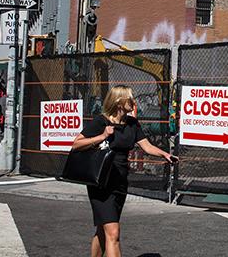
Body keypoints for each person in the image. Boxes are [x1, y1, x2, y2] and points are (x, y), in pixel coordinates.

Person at [71, 85, 177, 257]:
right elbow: (76, 144)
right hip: (101, 182)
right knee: (113, 233)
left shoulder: (132, 124)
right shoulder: (101, 121)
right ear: (119, 102)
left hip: (120, 182)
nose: (134, 102)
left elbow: (147, 146)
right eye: (130, 99)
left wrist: (164, 154)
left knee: (103, 228)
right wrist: (103, 136)